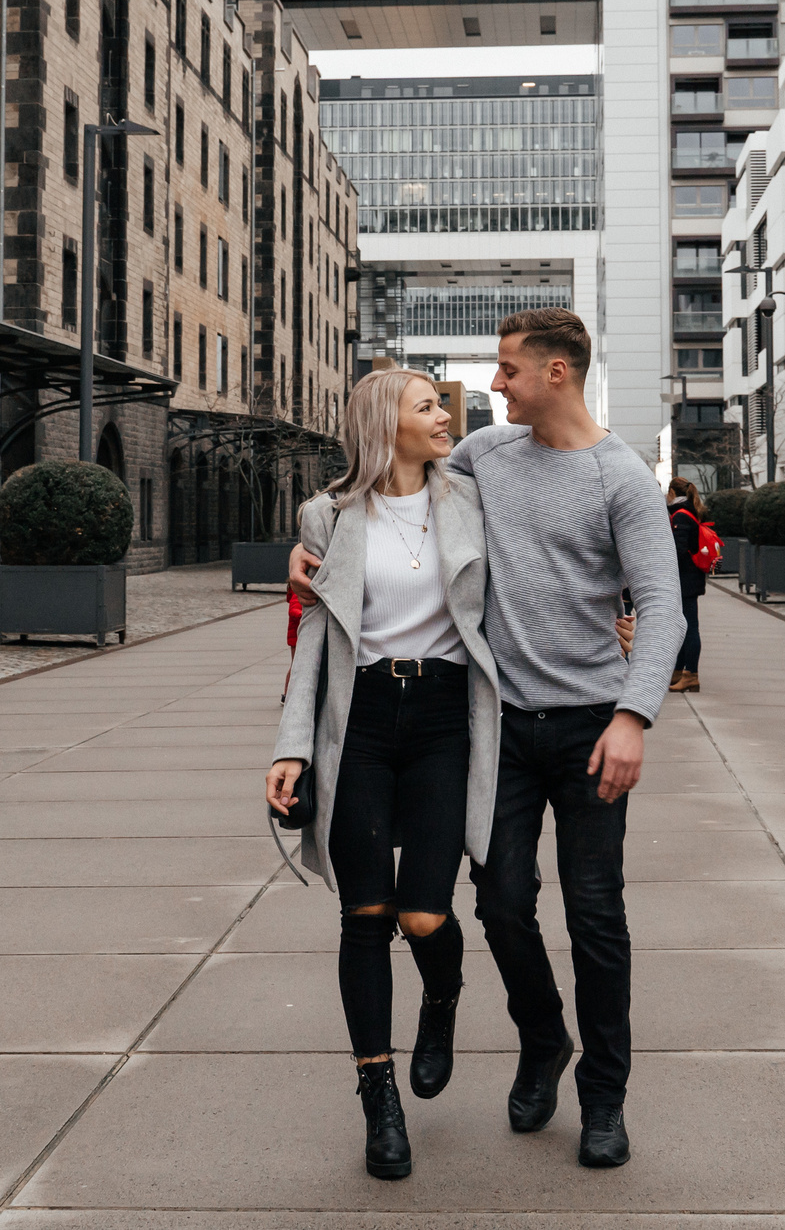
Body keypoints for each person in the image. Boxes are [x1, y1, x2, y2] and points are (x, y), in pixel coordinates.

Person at [291, 308, 685, 1170]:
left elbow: (663, 604)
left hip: (592, 725)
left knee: (595, 913)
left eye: (507, 369)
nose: (492, 384)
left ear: (556, 373)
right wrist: (308, 549)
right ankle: (543, 1039)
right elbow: (383, 492)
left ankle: (604, 1098)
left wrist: (634, 715)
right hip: (497, 723)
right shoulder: (482, 456)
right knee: (502, 903)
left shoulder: (622, 478)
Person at [268, 369, 505, 1182]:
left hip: (443, 717)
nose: (444, 416)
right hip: (360, 718)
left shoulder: (471, 501)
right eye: (427, 406)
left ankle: (442, 996)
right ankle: (380, 1096)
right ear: (384, 424)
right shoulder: (327, 516)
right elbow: (315, 637)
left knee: (425, 912)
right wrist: (291, 746)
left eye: (442, 404)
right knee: (364, 912)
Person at [664, 478, 709, 693]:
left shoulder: (681, 515)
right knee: (684, 626)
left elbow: (678, 550)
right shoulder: (688, 511)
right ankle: (678, 671)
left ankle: (691, 675)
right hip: (689, 579)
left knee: (689, 627)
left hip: (685, 580)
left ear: (672, 492)